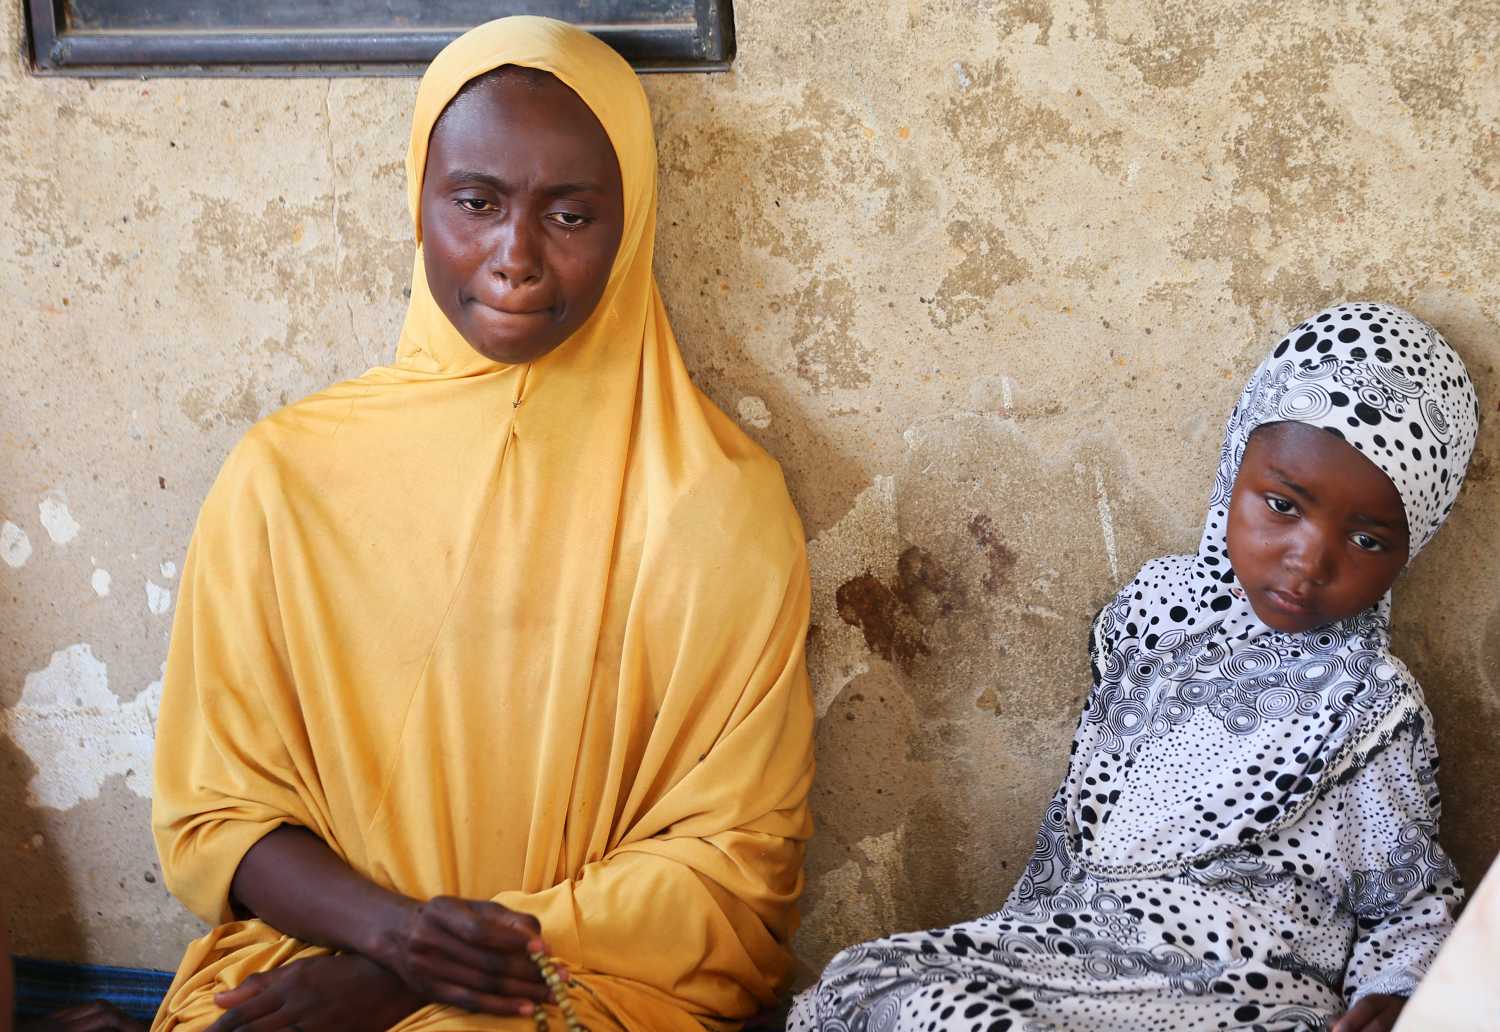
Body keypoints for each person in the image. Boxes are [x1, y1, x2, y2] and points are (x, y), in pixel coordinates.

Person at [149, 16, 814, 1032]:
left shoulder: (716, 503)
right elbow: (219, 817)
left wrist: (417, 973)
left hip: (586, 975)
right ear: (419, 205)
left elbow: (730, 872)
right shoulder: (284, 476)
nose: (516, 260)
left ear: (631, 226)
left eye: (572, 216)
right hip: (314, 948)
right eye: (476, 202)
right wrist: (383, 934)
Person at [789, 302, 1479, 1032]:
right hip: (1078, 950)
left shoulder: (1374, 705)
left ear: (1414, 548)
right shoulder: (1154, 616)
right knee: (878, 989)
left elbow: (1407, 902)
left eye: (1368, 541)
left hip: (1242, 989)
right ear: (1233, 469)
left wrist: (1395, 994)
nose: (1309, 561)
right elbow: (1079, 814)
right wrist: (1029, 929)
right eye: (1281, 505)